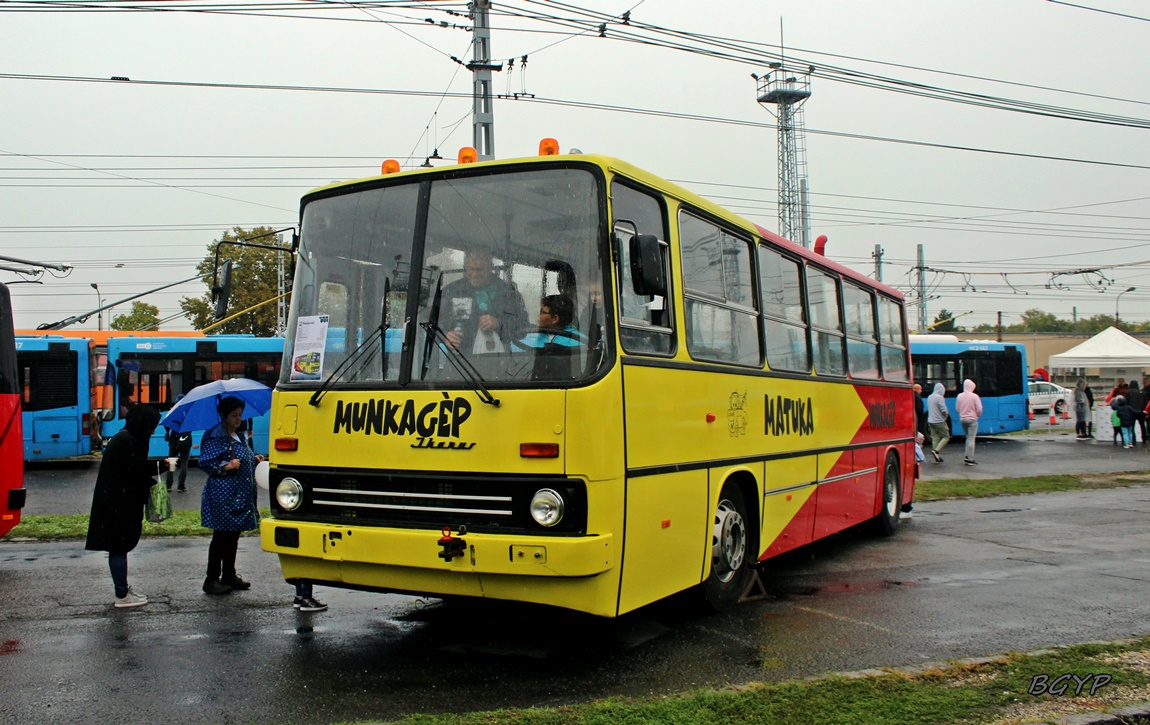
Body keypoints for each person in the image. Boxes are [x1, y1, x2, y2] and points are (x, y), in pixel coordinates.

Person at [85, 404, 162, 609]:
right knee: (119, 547)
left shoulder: (125, 438)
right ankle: (122, 595)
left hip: (116, 502)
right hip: (119, 505)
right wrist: (161, 466)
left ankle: (123, 590)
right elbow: (136, 469)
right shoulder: (127, 441)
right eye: (151, 426)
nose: (153, 431)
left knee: (119, 547)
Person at [199, 395, 264, 595]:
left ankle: (229, 575)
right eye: (234, 415)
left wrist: (253, 459)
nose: (238, 419)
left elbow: (242, 458)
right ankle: (211, 579)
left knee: (233, 536)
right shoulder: (215, 436)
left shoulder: (239, 436)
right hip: (223, 496)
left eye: (240, 415)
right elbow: (205, 462)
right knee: (221, 537)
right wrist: (225, 466)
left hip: (239, 494)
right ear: (223, 415)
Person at [443, 246, 528, 355]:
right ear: (466, 268)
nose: (474, 274)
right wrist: (445, 335)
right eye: (471, 269)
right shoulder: (453, 291)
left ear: (489, 268)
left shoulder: (507, 292)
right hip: (459, 360)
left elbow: (523, 327)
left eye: (479, 269)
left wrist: (499, 323)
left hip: (497, 359)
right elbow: (434, 321)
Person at [514, 294, 585, 380]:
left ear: (555, 319)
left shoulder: (578, 340)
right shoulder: (532, 336)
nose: (538, 316)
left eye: (542, 312)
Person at [164, 394, 192, 492]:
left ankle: (168, 485)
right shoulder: (189, 413)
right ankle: (181, 486)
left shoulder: (173, 412)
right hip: (186, 439)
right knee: (184, 463)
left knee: (171, 463)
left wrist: (167, 432)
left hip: (174, 439)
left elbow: (167, 424)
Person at [956, 378, 983, 466]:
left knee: (968, 437)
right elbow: (979, 409)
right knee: (971, 438)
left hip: (963, 420)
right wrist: (977, 415)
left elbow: (957, 409)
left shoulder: (959, 396)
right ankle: (970, 459)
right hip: (972, 419)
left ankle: (966, 456)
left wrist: (963, 413)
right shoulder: (975, 396)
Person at [927, 382, 950, 463]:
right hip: (939, 421)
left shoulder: (930, 397)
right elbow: (943, 410)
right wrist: (945, 416)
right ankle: (936, 451)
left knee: (935, 438)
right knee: (946, 437)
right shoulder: (940, 398)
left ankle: (936, 455)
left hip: (930, 421)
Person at [1125, 380, 1146, 444]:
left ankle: (1133, 440)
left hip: (1132, 412)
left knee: (1132, 426)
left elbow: (1126, 402)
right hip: (1141, 411)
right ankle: (1144, 439)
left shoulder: (1128, 392)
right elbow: (1145, 402)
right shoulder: (1142, 392)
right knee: (1142, 426)